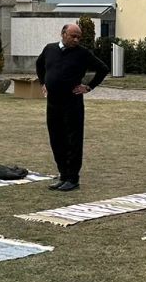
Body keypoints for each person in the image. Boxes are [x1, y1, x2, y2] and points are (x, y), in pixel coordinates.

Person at [35, 22, 108, 192]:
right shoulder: (50, 49)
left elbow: (103, 69)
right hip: (53, 103)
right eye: (73, 36)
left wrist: (88, 87)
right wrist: (43, 82)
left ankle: (73, 178)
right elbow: (39, 65)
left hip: (72, 103)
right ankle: (63, 174)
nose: (76, 40)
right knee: (56, 138)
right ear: (63, 34)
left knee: (73, 140)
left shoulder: (82, 53)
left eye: (78, 37)